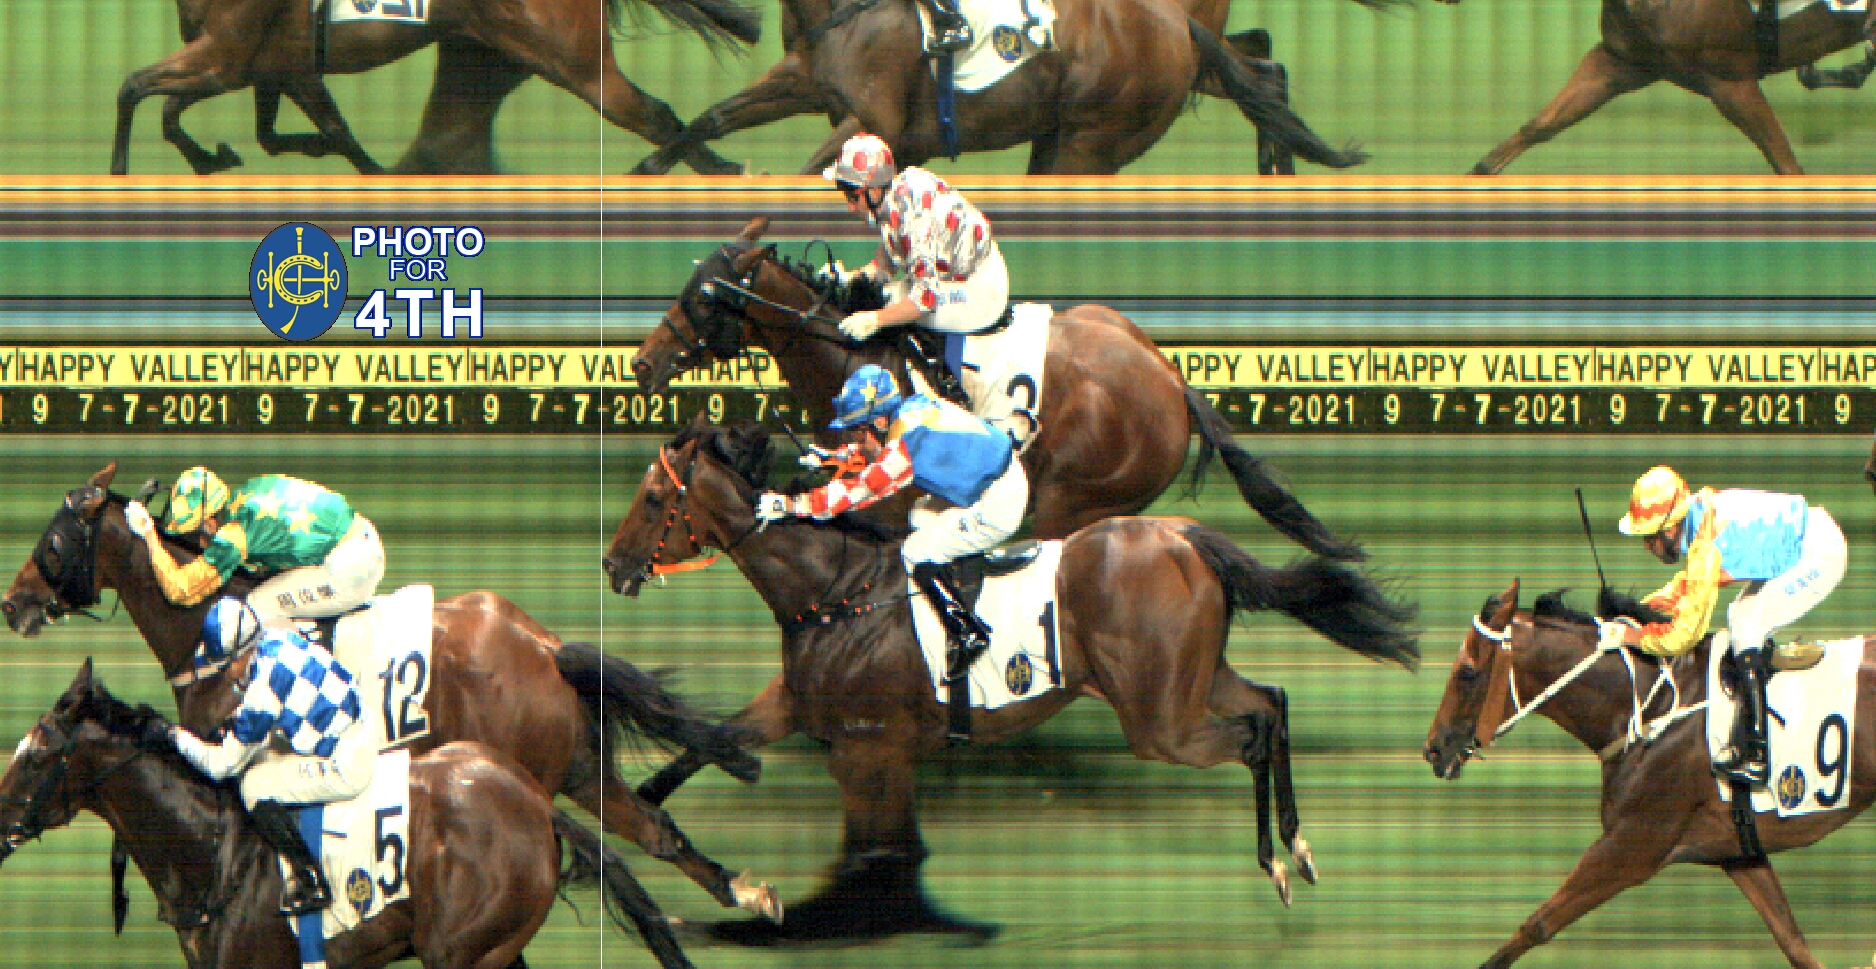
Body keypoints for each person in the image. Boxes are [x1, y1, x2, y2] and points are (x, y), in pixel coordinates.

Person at [754, 365, 1027, 680]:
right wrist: (831, 457)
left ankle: (967, 633)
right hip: (992, 479)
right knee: (918, 517)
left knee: (915, 550)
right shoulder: (911, 408)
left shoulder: (905, 449)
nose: (854, 438)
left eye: (857, 431)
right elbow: (880, 450)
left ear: (880, 422)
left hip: (998, 501)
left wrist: (790, 505)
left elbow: (859, 491)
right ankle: (951, 586)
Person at [1613, 466, 1847, 786]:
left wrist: (1632, 635)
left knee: (1746, 623)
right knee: (1740, 614)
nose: (1647, 547)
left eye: (1649, 538)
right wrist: (1669, 595)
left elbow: (1684, 636)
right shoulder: (1701, 515)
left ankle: (1757, 755)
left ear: (1670, 529)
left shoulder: (1706, 547)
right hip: (1810, 535)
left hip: (1819, 555)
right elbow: (1700, 572)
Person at [159, 597, 371, 915]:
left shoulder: (262, 689)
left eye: (226, 665)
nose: (226, 675)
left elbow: (221, 766)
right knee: (262, 753)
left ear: (240, 655)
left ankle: (310, 879)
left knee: (253, 785)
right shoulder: (275, 637)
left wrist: (177, 737)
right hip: (356, 725)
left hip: (347, 762)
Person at [821, 133, 1007, 408]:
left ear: (873, 191)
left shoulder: (913, 219)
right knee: (885, 299)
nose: (849, 206)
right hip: (953, 277)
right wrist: (848, 278)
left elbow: (925, 300)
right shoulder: (892, 200)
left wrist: (875, 320)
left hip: (979, 290)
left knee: (892, 309)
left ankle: (951, 394)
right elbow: (882, 267)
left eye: (851, 195)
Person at [123, 468, 384, 631]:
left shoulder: (234, 536)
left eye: (196, 535)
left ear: (210, 524)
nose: (200, 544)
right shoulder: (247, 492)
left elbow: (180, 590)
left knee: (257, 605)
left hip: (350, 567)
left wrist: (149, 534)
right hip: (361, 536)